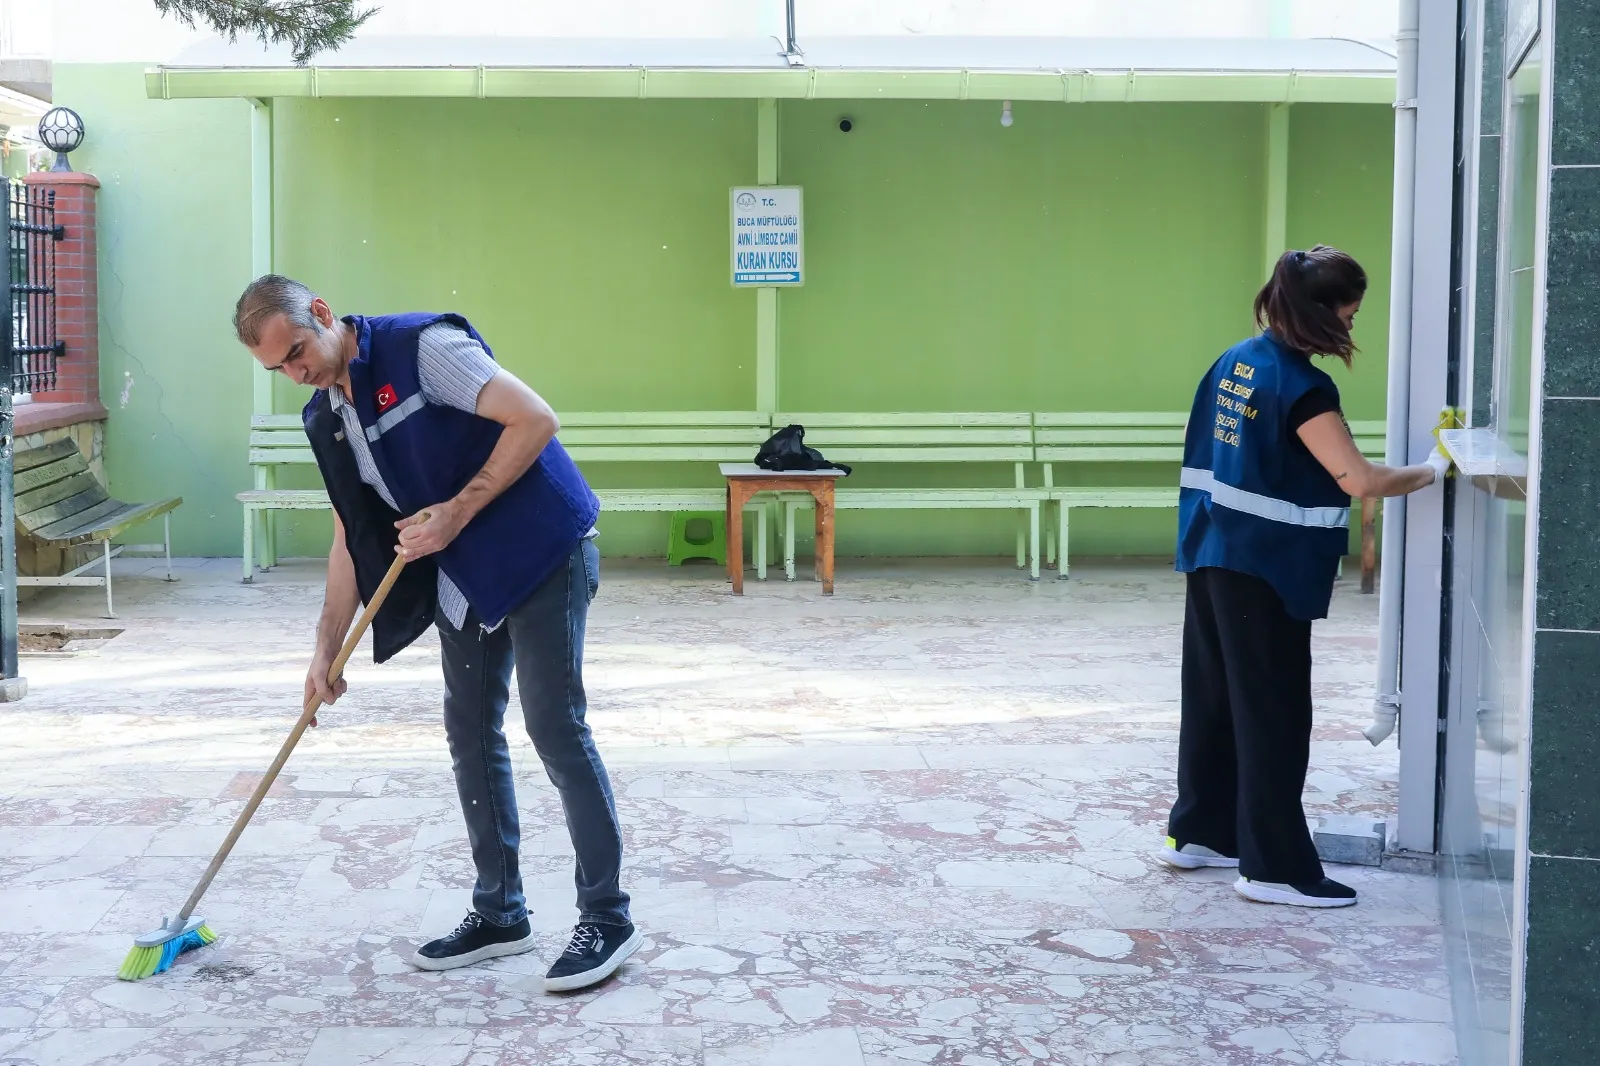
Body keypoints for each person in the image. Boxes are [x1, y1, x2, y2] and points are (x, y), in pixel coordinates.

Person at [233, 276, 641, 989]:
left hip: (544, 549)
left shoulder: (424, 349)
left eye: (298, 351)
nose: (297, 372)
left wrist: (455, 510)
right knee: (471, 734)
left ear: (323, 314)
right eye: (280, 369)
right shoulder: (329, 415)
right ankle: (501, 912)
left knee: (554, 726)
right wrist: (323, 649)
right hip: (466, 574)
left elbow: (535, 419)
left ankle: (606, 916)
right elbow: (349, 538)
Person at [1158, 246, 1450, 908]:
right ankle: (1275, 868)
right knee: (1273, 715)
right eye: (1353, 308)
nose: (1354, 321)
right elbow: (1361, 479)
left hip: (1212, 552)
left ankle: (1199, 833)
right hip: (1265, 569)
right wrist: (1438, 468)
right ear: (1326, 310)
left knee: (1215, 702)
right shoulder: (1300, 386)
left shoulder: (1236, 360)